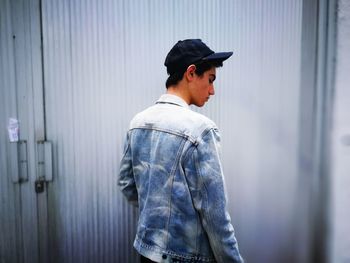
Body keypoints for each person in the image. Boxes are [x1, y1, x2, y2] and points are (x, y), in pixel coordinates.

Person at [118, 39, 244, 263]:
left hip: (147, 253)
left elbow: (127, 185)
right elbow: (215, 217)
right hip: (187, 258)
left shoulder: (138, 122)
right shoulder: (201, 130)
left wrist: (158, 208)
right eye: (210, 79)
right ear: (191, 72)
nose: (212, 90)